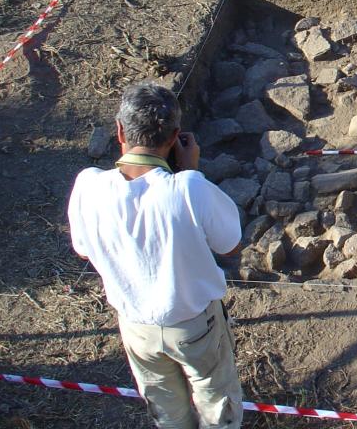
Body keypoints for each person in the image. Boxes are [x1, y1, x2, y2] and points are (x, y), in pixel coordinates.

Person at [68, 82, 244, 429]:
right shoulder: (189, 188)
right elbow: (230, 245)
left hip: (136, 325)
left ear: (120, 131)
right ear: (176, 136)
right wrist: (191, 170)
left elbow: (83, 251)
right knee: (215, 400)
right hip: (195, 325)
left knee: (166, 410)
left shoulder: (88, 186)